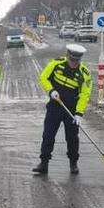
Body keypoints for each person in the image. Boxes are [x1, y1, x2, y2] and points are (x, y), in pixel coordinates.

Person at [32, 44, 92, 175]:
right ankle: (44, 163)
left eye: (75, 61)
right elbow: (43, 77)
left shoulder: (84, 73)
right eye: (71, 60)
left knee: (72, 137)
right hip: (55, 105)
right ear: (67, 56)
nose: (73, 63)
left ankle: (73, 163)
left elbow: (84, 94)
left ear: (79, 60)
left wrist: (79, 113)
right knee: (48, 134)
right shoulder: (56, 64)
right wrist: (51, 90)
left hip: (71, 108)